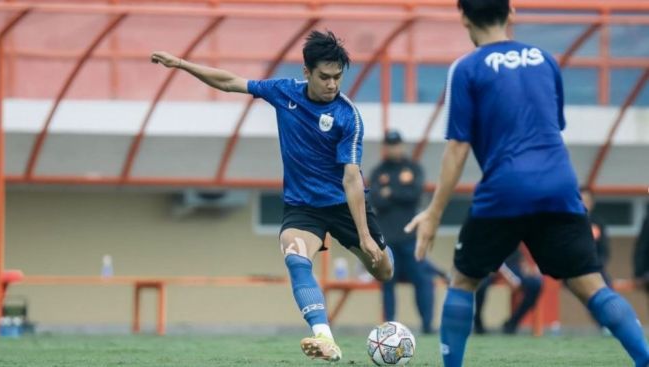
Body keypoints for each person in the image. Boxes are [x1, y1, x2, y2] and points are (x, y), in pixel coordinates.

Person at [404, 1, 649, 366]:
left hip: (505, 189)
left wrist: (434, 213)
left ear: (464, 18)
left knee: (463, 281)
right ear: (512, 13)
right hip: (559, 186)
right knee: (590, 284)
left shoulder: (467, 68)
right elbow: (554, 127)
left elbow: (457, 148)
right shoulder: (545, 60)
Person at [151, 30, 394, 363]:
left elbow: (352, 178)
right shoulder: (284, 92)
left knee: (384, 271)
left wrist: (365, 236)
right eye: (324, 77)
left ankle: (375, 249)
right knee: (295, 257)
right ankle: (324, 337)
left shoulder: (347, 116)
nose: (332, 84)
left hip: (343, 205)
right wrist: (180, 63)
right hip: (303, 207)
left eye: (338, 77)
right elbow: (229, 82)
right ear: (307, 72)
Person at [369, 130, 446, 335]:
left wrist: (390, 191)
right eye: (389, 145)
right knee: (387, 284)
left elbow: (415, 194)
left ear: (401, 146)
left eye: (396, 144)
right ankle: (389, 329)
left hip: (410, 240)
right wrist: (397, 192)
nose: (393, 148)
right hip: (387, 241)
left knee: (423, 281)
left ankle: (428, 325)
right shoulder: (378, 172)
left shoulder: (413, 168)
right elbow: (375, 199)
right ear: (385, 147)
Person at [473, 245, 543, 335]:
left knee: (535, 284)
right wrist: (509, 277)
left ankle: (513, 322)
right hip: (489, 263)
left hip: (513, 264)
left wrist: (525, 266)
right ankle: (478, 323)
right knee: (481, 285)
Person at [581, 187, 612, 286]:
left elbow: (604, 250)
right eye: (580, 200)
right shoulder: (567, 223)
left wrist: (596, 266)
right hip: (573, 270)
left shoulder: (598, 223)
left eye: (586, 201)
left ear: (592, 203)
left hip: (595, 269)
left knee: (606, 285)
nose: (583, 204)